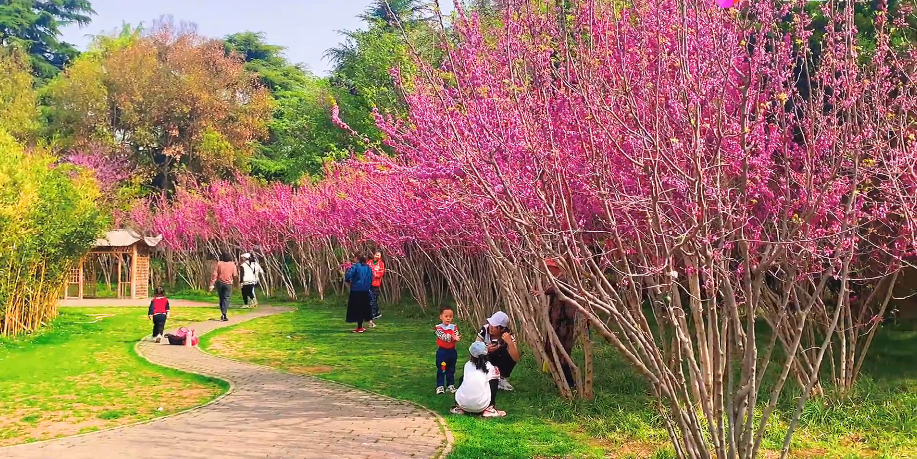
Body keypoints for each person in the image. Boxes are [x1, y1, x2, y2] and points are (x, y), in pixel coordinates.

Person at [533, 258, 578, 390]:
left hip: (563, 324)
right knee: (553, 350)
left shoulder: (564, 279)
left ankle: (569, 383)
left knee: (561, 353)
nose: (547, 270)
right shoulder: (557, 279)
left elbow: (559, 289)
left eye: (549, 267)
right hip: (556, 323)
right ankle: (561, 380)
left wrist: (542, 292)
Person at [451, 341, 506, 418]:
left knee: (463, 378)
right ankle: (489, 408)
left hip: (462, 404)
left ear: (471, 354)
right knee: (494, 380)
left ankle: (458, 407)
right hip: (481, 406)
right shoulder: (490, 367)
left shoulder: (467, 365)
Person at [476, 311, 521, 391]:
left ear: (502, 328)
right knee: (481, 352)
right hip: (486, 358)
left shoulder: (508, 335)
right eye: (490, 323)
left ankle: (501, 379)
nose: (491, 327)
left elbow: (516, 358)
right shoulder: (485, 329)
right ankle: (484, 377)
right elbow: (474, 347)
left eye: (494, 326)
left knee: (509, 353)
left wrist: (510, 343)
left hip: (500, 360)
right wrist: (486, 348)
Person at [344, 254, 374, 333]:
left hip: (356, 290)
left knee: (357, 309)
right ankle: (361, 326)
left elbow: (348, 275)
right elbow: (371, 277)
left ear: (357, 258)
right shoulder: (368, 267)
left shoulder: (355, 266)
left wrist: (348, 281)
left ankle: (360, 327)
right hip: (366, 290)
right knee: (364, 308)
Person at [435, 307, 461, 394]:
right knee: (442, 368)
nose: (448, 318)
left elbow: (457, 336)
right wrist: (452, 337)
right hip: (442, 352)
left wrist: (454, 337)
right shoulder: (438, 328)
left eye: (450, 316)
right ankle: (440, 386)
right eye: (446, 316)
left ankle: (450, 385)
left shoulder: (454, 327)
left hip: (452, 352)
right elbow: (443, 337)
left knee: (451, 369)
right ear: (441, 317)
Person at [209, 252, 238, 322]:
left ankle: (223, 313)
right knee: (226, 298)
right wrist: (236, 284)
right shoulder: (232, 264)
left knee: (221, 298)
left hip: (220, 283)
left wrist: (212, 284)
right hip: (228, 284)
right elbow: (235, 275)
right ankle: (224, 313)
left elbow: (214, 274)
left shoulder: (219, 263)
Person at [368, 251, 386, 327]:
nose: (377, 256)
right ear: (374, 255)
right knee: (369, 301)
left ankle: (373, 316)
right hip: (368, 283)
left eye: (379, 255)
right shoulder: (369, 262)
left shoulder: (381, 264)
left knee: (373, 300)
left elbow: (381, 273)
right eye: (376, 255)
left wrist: (374, 273)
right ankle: (374, 315)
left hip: (375, 284)